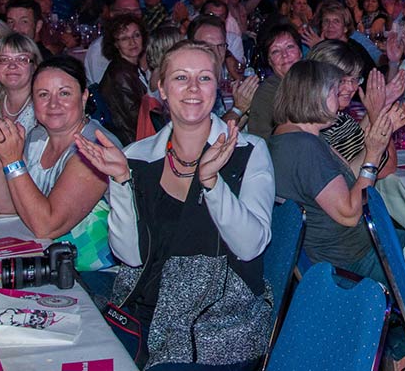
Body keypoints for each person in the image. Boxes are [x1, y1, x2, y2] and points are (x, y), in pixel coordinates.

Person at [77, 41, 274, 369]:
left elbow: (250, 246)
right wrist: (121, 181)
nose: (193, 88)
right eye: (181, 77)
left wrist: (212, 183)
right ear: (162, 90)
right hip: (145, 311)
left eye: (204, 77)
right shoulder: (137, 157)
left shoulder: (248, 151)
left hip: (218, 324)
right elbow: (131, 257)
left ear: (217, 87)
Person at [267, 59, 397, 280]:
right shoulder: (305, 147)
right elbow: (350, 214)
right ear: (317, 96)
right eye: (335, 93)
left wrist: (372, 147)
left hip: (337, 254)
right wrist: (373, 156)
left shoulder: (289, 135)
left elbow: (348, 174)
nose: (340, 100)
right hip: (350, 262)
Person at [0, 56, 123, 238]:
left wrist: (13, 162)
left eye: (64, 93)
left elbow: (47, 227)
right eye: (43, 95)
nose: (53, 104)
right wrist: (1, 167)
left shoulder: (94, 149)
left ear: (83, 97)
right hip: (45, 249)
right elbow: (7, 207)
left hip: (85, 255)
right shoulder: (37, 137)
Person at [308, 40, 405, 177]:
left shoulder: (336, 117)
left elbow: (355, 139)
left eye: (355, 80)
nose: (351, 87)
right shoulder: (321, 124)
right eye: (342, 80)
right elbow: (387, 167)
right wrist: (378, 118)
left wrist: (380, 104)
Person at [98, 14, 148, 145]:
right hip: (131, 142)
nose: (132, 42)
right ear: (116, 44)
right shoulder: (121, 74)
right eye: (125, 38)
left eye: (136, 35)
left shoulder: (130, 67)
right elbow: (137, 119)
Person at [247, 24, 302, 139]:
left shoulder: (314, 81)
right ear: (269, 61)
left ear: (300, 52)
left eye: (290, 47)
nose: (285, 55)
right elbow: (260, 139)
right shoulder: (266, 94)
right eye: (276, 51)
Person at [84, 0, 143, 85]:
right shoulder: (99, 49)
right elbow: (102, 88)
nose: (132, 16)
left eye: (136, 11)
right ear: (112, 14)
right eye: (126, 12)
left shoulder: (142, 43)